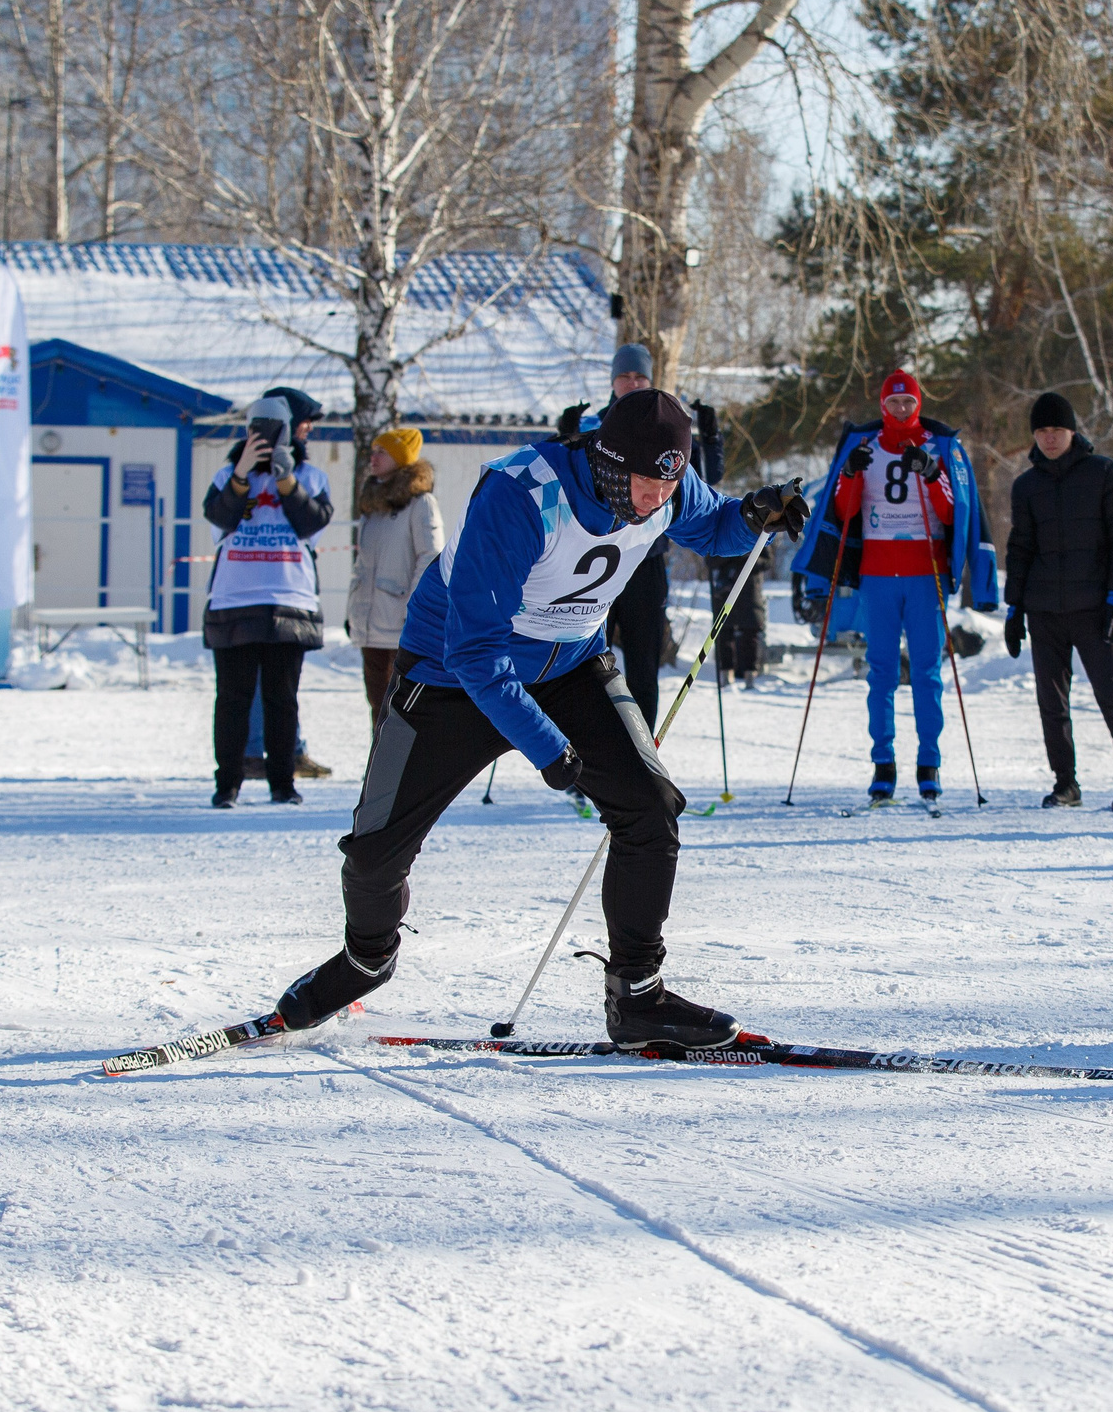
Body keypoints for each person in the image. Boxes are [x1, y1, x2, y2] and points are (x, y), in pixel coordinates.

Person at [264, 391, 808, 1049]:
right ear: (609, 463)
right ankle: (366, 959)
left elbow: (711, 524)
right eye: (645, 484)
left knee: (650, 807)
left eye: (669, 485)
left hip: (571, 666)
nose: (656, 500)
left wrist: (753, 514)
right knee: (375, 853)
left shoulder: (663, 483)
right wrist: (548, 747)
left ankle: (638, 996)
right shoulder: (521, 494)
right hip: (450, 676)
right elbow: (475, 651)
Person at [791, 369, 997, 804]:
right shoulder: (865, 446)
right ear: (883, 406)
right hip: (878, 575)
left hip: (926, 574)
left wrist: (932, 473)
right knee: (881, 671)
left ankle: (929, 763)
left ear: (918, 404)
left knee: (926, 671)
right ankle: (883, 764)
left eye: (908, 402)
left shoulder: (937, 446)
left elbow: (951, 512)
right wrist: (850, 473)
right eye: (893, 403)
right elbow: (843, 510)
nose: (901, 409)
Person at [558, 343, 726, 729]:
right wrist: (565, 433)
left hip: (645, 561)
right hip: (593, 560)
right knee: (582, 663)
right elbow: (569, 475)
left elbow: (706, 479)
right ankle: (582, 745)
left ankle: (643, 745)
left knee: (643, 661)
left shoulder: (667, 425)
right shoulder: (595, 425)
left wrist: (710, 436)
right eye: (625, 376)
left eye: (640, 377)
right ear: (612, 382)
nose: (632, 383)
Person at [1003, 392, 1113, 812]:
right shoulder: (1026, 486)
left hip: (1094, 608)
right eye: (1042, 431)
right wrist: (1014, 608)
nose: (1050, 438)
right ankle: (1065, 784)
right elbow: (1020, 548)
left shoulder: (1105, 474)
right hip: (1044, 610)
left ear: (1072, 432)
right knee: (1052, 703)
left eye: (1057, 430)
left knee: (1112, 696)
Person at [204, 392, 332, 806]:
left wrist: (286, 480)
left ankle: (283, 783)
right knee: (233, 699)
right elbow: (218, 517)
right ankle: (227, 785)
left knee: (282, 700)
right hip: (234, 600)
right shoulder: (227, 475)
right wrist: (241, 473)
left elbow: (313, 523)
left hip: (289, 599)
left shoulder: (311, 476)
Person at [240, 384, 331, 783]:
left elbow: (312, 526)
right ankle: (256, 751)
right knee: (261, 681)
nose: (309, 428)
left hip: (292, 589)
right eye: (305, 420)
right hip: (256, 589)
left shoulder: (307, 475)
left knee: (280, 683)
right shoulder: (243, 474)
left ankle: (284, 748)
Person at [343, 426, 441, 731]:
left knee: (403, 707)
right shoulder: (372, 506)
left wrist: (415, 608)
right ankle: (378, 761)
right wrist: (353, 611)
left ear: (401, 458)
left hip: (402, 624)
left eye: (381, 452)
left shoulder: (420, 503)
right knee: (377, 706)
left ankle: (405, 761)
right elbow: (363, 566)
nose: (372, 458)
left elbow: (430, 557)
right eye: (372, 451)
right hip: (370, 625)